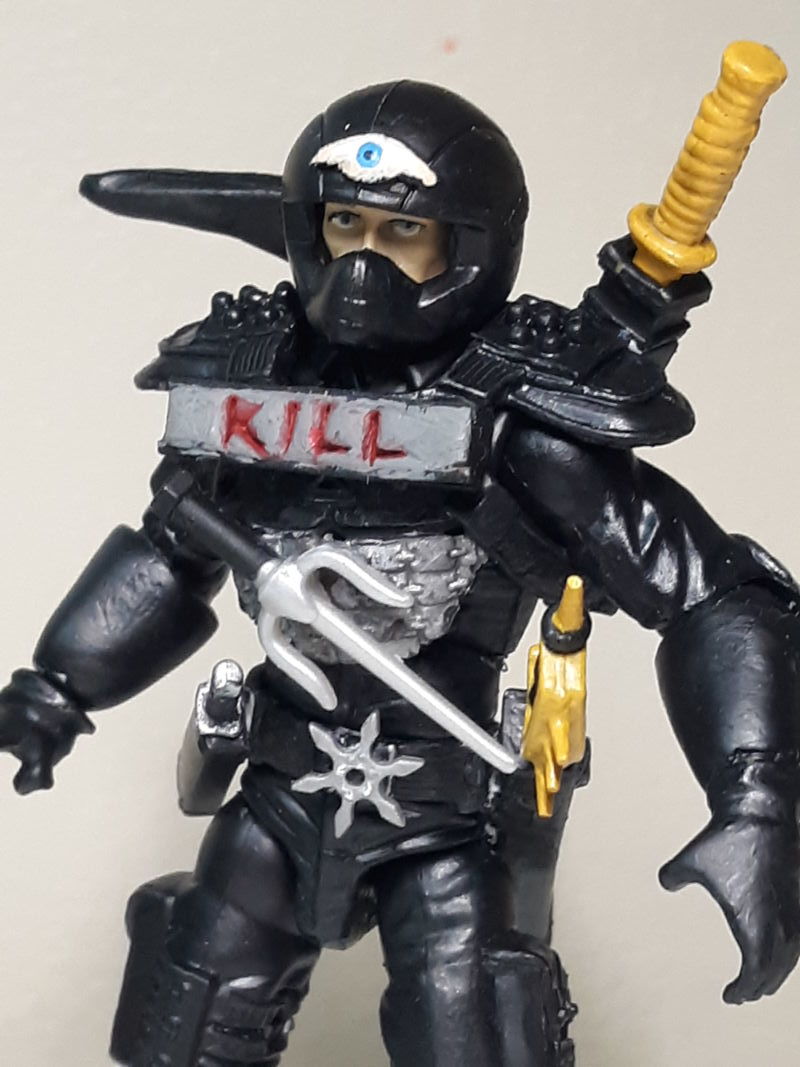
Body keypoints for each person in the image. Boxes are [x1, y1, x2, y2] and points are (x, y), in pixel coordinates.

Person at [1, 79, 798, 1067]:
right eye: (344, 224)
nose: (363, 266)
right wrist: (58, 685)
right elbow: (170, 552)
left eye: (403, 232)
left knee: (471, 1031)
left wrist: (755, 797)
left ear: (466, 247)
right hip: (278, 789)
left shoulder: (515, 421)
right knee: (186, 1027)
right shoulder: (260, 385)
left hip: (443, 815)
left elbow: (708, 589)